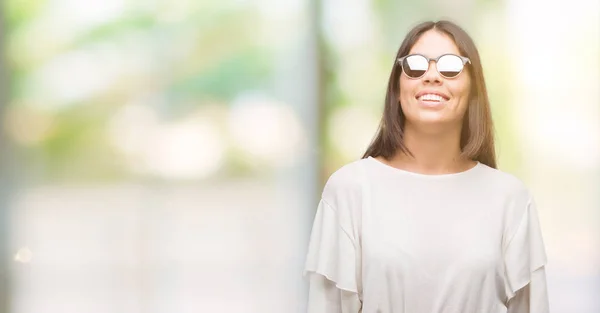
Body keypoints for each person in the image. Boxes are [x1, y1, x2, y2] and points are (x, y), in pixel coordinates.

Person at [303, 20, 549, 313]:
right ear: (397, 87)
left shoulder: (510, 198)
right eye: (416, 66)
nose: (432, 76)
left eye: (451, 66)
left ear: (473, 89)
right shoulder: (349, 190)